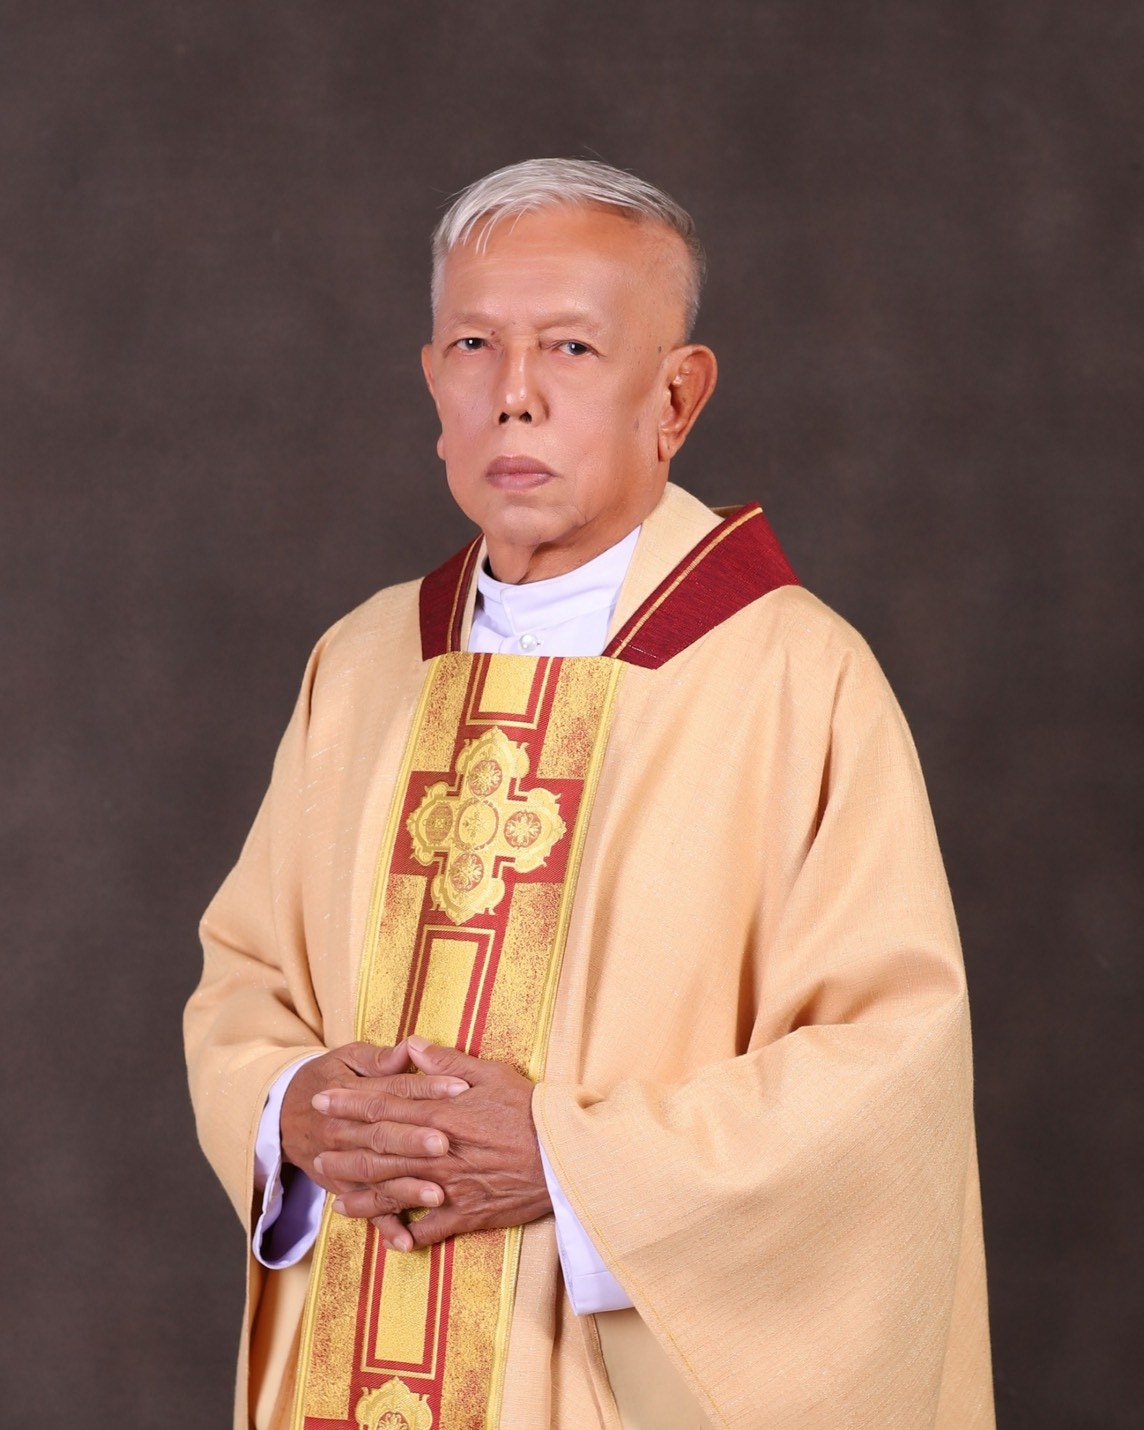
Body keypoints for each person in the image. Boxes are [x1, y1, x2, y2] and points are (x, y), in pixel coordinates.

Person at [185, 158, 995, 1430]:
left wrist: (572, 1161)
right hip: (354, 1343)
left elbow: (884, 1071)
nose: (514, 393)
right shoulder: (364, 663)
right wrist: (299, 1108)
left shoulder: (792, 677)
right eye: (474, 345)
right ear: (433, 384)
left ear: (674, 395)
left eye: (569, 345)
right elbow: (245, 978)